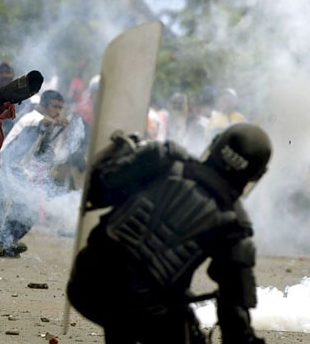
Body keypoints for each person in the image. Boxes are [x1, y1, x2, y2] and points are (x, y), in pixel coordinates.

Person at [67, 123, 271, 344]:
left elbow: (98, 189)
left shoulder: (166, 159)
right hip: (142, 309)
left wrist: (128, 154)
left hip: (86, 284)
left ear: (216, 145)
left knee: (131, 301)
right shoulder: (234, 224)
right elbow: (234, 313)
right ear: (254, 175)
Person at [0, 90, 69, 257]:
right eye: (55, 107)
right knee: (24, 208)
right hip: (5, 166)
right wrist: (55, 123)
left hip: (19, 170)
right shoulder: (32, 118)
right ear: (43, 106)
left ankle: (3, 243)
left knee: (25, 210)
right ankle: (0, 243)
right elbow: (41, 122)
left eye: (60, 108)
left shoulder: (48, 125)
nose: (58, 111)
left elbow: (44, 152)